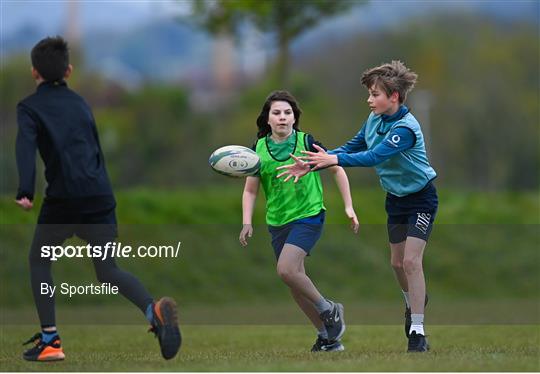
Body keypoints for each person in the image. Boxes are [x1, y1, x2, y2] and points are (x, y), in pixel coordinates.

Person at [15, 36, 181, 361]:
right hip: (99, 196)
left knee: (39, 261)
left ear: (34, 72)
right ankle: (152, 312)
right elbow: (94, 149)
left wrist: (25, 189)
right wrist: (101, 194)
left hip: (63, 199)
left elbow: (25, 147)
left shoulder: (29, 108)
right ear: (69, 70)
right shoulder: (81, 103)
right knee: (107, 270)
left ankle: (50, 340)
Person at [277, 61, 437, 352]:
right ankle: (413, 300)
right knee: (397, 263)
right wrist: (315, 162)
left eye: (375, 94)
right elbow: (353, 145)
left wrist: (333, 160)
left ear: (394, 97)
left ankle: (417, 330)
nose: (369, 99)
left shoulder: (405, 128)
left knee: (412, 262)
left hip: (421, 199)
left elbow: (374, 156)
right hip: (395, 199)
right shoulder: (374, 119)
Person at [239, 90, 359, 352]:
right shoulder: (257, 149)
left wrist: (349, 206)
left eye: (287, 112)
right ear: (267, 119)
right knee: (294, 283)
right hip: (277, 222)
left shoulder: (307, 142)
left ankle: (329, 309)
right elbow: (250, 190)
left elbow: (337, 168)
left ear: (294, 118)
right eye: (276, 113)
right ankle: (327, 338)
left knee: (286, 270)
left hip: (309, 215)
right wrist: (247, 221)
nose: (282, 117)